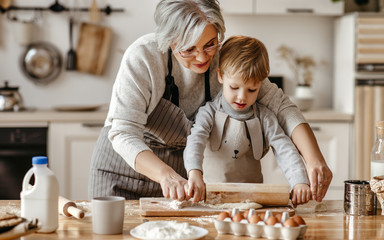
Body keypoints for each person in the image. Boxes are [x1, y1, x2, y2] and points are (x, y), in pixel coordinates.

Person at [88, 0, 332, 202]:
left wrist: (314, 160)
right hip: (122, 172)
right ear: (169, 40)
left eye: (210, 44)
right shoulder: (143, 57)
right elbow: (124, 133)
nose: (203, 57)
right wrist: (164, 174)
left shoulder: (226, 59)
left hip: (182, 178)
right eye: (188, 49)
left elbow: (283, 108)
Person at [184, 35, 311, 207]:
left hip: (251, 201)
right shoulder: (208, 113)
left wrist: (299, 181)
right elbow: (195, 141)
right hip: (209, 198)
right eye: (234, 87)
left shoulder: (265, 117)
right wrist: (194, 173)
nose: (242, 97)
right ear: (220, 76)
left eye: (252, 89)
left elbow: (285, 148)